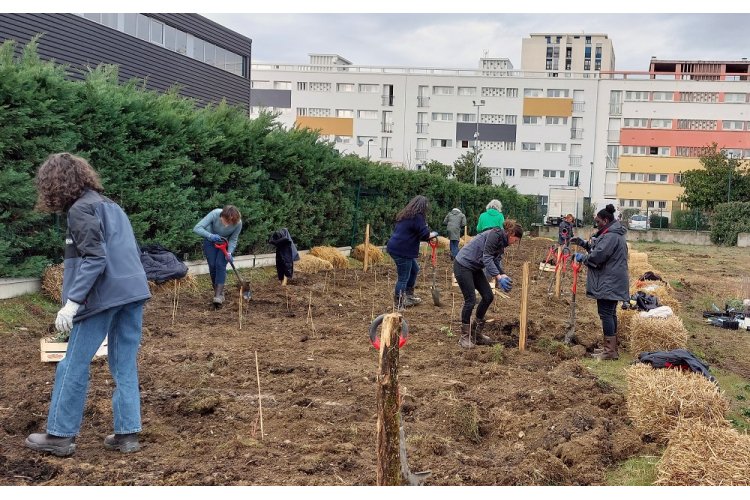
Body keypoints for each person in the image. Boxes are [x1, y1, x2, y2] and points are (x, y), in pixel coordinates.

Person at [26, 153, 151, 457]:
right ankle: (127, 434)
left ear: (57, 182)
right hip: (132, 292)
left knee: (73, 363)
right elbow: (130, 250)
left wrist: (72, 303)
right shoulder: (113, 206)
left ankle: (59, 435)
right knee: (123, 364)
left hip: (102, 296)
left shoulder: (80, 210)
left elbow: (95, 258)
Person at [570, 204, 629, 360]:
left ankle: (609, 351)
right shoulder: (611, 234)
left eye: (598, 221)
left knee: (606, 314)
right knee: (610, 313)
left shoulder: (611, 236)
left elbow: (598, 256)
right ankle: (610, 349)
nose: (596, 224)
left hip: (609, 281)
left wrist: (583, 258)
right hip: (612, 280)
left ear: (605, 219)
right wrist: (583, 244)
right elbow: (599, 249)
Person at [454, 219, 523, 348]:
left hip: (474, 267)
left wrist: (502, 275)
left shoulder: (502, 241)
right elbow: (487, 257)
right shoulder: (495, 235)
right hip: (463, 265)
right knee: (470, 300)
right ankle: (464, 338)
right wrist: (497, 276)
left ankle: (476, 333)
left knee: (488, 296)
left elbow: (495, 260)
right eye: (516, 240)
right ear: (511, 234)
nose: (515, 243)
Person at [386, 195, 438, 309]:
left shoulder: (406, 215)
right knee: (403, 277)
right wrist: (434, 234)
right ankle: (399, 303)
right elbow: (425, 234)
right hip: (402, 250)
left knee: (414, 269)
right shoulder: (417, 217)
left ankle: (409, 295)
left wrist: (427, 236)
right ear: (423, 206)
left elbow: (417, 233)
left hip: (396, 247)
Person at [193, 205, 242, 306]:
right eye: (226, 221)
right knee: (212, 265)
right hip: (211, 241)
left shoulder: (238, 223)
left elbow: (233, 239)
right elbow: (197, 228)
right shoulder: (215, 213)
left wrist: (229, 252)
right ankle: (219, 292)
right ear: (221, 216)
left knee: (220, 264)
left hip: (225, 243)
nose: (227, 225)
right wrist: (210, 236)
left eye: (230, 223)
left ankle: (218, 295)